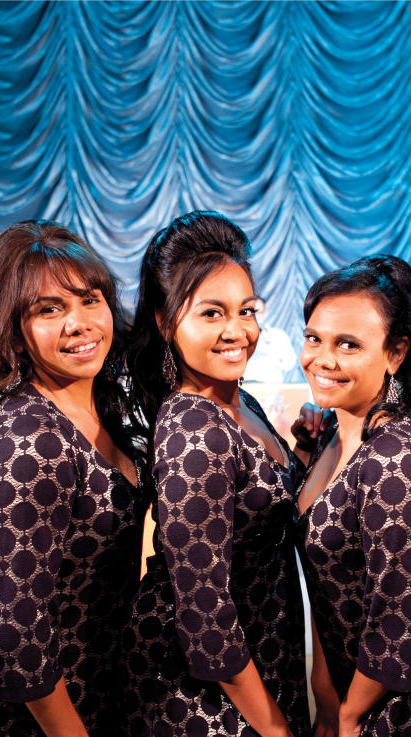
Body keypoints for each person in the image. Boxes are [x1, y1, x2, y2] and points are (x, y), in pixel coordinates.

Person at [0, 221, 148, 737]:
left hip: (75, 674)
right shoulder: (29, 441)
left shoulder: (97, 404)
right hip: (14, 699)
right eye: (49, 309)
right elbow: (16, 633)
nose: (79, 322)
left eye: (90, 300)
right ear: (12, 330)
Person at [123, 211, 309, 736]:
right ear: (164, 322)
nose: (238, 331)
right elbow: (205, 614)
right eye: (212, 314)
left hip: (262, 651)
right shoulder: (193, 428)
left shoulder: (236, 398)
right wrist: (272, 727)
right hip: (206, 690)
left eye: (246, 310)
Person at [294, 255, 411, 737]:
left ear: (395, 354)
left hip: (402, 708)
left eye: (348, 345)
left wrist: (348, 715)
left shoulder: (394, 457)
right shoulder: (336, 428)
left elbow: (401, 619)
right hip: (347, 687)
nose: (322, 359)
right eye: (314, 338)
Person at [243, 297, 298, 382]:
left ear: (265, 313)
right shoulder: (238, 336)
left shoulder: (278, 335)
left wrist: (274, 349)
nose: (256, 317)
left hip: (271, 385)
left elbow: (290, 364)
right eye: (252, 313)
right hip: (246, 385)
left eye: (259, 312)